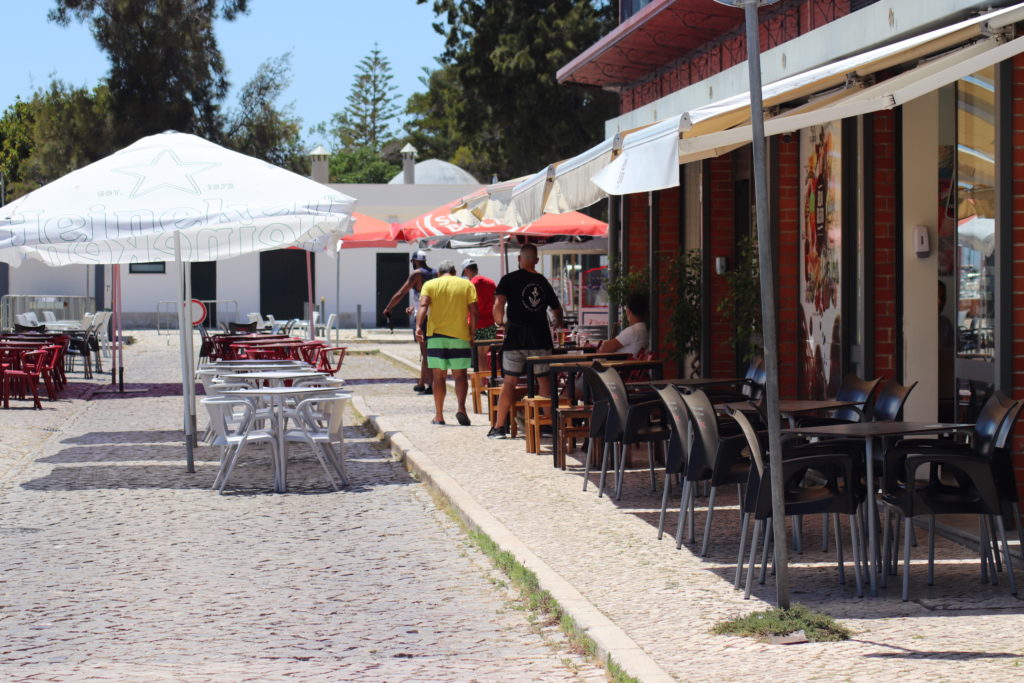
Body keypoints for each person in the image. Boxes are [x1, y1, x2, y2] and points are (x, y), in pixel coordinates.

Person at [487, 243, 563, 439]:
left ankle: (499, 426)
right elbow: (557, 310)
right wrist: (556, 323)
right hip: (540, 338)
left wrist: (500, 323)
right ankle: (547, 425)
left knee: (509, 382)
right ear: (536, 260)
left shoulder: (508, 279)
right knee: (543, 380)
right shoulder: (543, 282)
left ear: (519, 259)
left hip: (515, 338)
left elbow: (498, 305)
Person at [416, 260, 477, 426]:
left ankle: (439, 415)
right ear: (455, 271)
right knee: (460, 376)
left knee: (438, 377)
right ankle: (461, 408)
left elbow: (423, 304)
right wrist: (473, 333)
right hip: (460, 336)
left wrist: (418, 326)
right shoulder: (466, 285)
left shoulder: (430, 284)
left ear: (438, 273)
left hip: (436, 336)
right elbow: (474, 310)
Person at [383, 250, 436, 393]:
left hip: (423, 317)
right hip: (436, 316)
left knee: (425, 353)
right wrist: (414, 306)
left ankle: (431, 385)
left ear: (414, 261)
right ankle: (421, 382)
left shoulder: (416, 274)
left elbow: (401, 293)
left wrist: (388, 307)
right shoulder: (435, 273)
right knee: (428, 351)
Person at [461, 259, 497, 340]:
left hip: (475, 325)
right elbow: (495, 302)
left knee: (477, 352)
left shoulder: (470, 285)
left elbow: (467, 306)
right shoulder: (491, 282)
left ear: (466, 270)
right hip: (490, 323)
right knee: (484, 352)